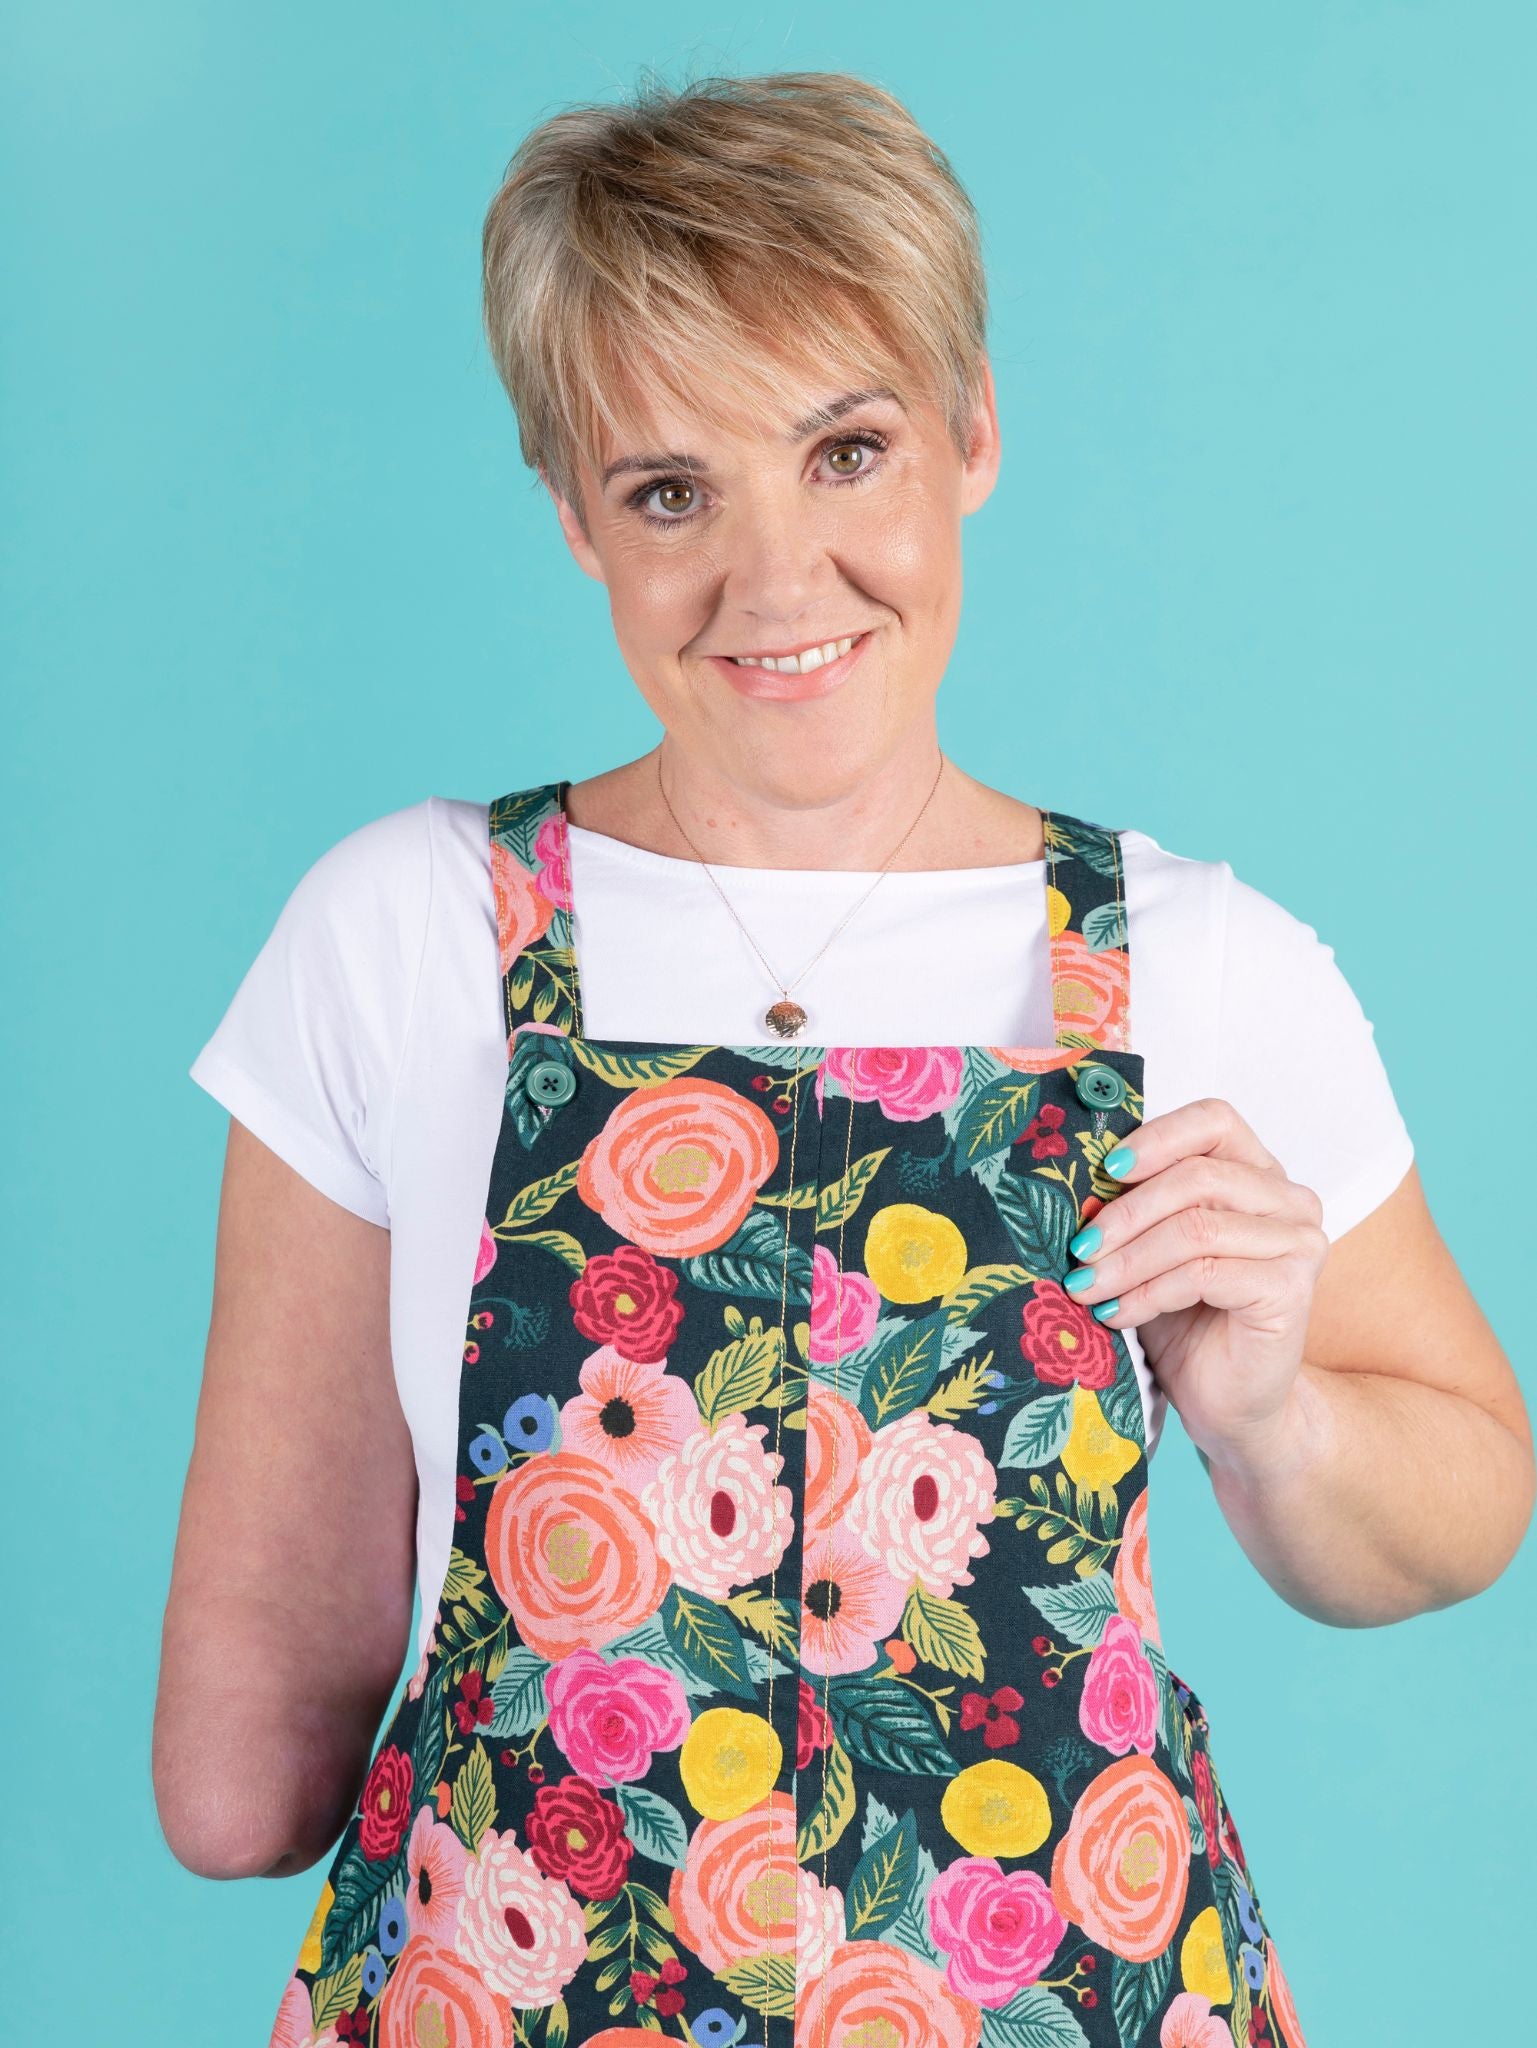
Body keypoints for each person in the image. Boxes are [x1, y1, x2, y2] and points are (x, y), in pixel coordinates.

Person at [154, 69, 1531, 2048]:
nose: (779, 579)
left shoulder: (1204, 966)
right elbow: (235, 1788)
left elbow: (1468, 1499)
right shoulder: (406, 937)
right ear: (571, 515)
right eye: (670, 489)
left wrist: (1274, 1417)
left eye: (845, 449)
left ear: (972, 434)